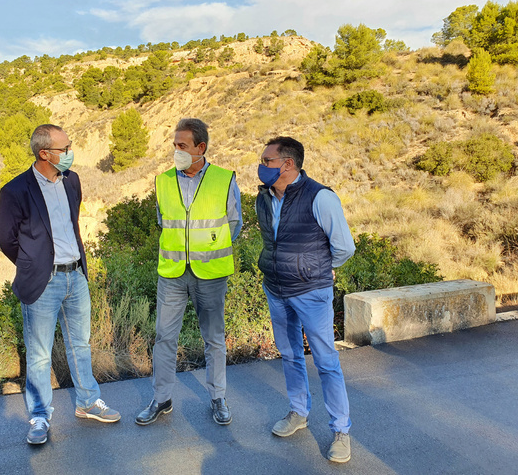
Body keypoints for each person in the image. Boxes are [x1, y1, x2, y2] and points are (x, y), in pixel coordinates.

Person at [0, 123, 120, 446]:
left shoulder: (72, 181)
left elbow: (72, 223)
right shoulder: (15, 191)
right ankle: (39, 415)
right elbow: (4, 239)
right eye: (65, 148)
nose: (70, 152)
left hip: (75, 276)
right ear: (45, 154)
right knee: (38, 355)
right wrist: (32, 264)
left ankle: (88, 402)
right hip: (43, 282)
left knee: (80, 344)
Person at [135, 118, 242, 426]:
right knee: (165, 337)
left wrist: (208, 249)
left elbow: (234, 223)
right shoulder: (163, 180)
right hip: (171, 273)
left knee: (213, 339)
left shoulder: (224, 179)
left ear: (201, 148)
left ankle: (218, 398)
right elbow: (163, 221)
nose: (176, 151)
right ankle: (162, 399)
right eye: (174, 145)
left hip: (210, 274)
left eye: (182, 146)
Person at [255, 136, 355, 463]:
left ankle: (341, 431)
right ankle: (299, 412)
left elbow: (343, 247)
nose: (261, 166)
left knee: (326, 360)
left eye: (267, 161)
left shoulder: (321, 197)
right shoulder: (264, 197)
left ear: (288, 164)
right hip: (276, 289)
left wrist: (317, 270)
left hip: (312, 292)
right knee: (290, 355)